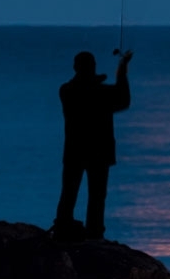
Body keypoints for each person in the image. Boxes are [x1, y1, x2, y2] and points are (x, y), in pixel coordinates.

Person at [53, 49, 132, 242]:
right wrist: (121, 72)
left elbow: (87, 90)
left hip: (76, 152)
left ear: (75, 68)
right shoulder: (98, 92)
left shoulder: (67, 91)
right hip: (98, 153)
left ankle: (64, 226)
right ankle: (93, 232)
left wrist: (109, 76)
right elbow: (123, 99)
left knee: (70, 192)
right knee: (95, 196)